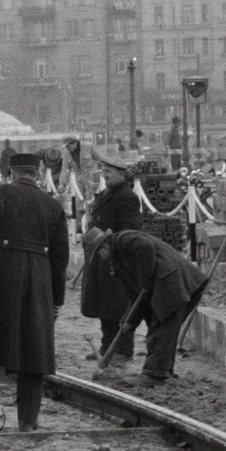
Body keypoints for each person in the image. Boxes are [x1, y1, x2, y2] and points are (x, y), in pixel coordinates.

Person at [0, 152, 70, 431]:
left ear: (11, 173)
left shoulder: (0, 194)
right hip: (39, 280)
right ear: (37, 174)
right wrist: (56, 300)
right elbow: (61, 259)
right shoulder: (53, 206)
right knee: (34, 349)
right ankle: (28, 421)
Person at [87, 225, 208, 388]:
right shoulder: (117, 263)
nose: (100, 260)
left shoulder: (123, 238)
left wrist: (146, 282)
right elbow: (134, 296)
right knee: (163, 328)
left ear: (104, 246)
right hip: (164, 285)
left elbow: (145, 246)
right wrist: (129, 320)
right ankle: (163, 371)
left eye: (98, 255)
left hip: (172, 281)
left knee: (161, 328)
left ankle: (154, 374)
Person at [80, 153, 144, 360]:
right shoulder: (107, 193)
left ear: (120, 174)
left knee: (119, 308)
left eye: (108, 172)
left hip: (117, 262)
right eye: (103, 171)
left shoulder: (127, 197)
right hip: (101, 260)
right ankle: (107, 347)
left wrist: (108, 239)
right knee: (104, 306)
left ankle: (123, 351)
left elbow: (132, 230)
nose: (104, 175)